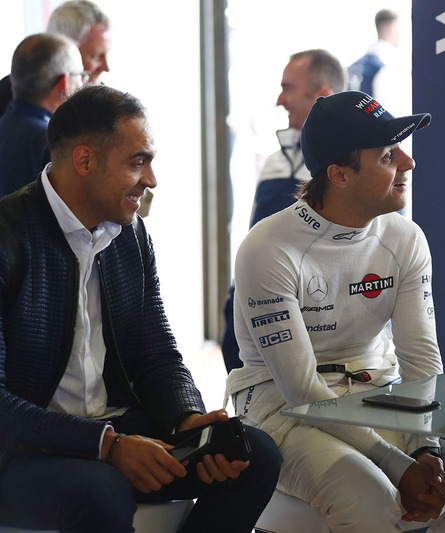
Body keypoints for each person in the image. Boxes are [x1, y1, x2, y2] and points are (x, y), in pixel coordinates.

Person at [0, 85, 282, 533]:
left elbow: (156, 353)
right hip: (21, 451)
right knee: (100, 488)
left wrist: (187, 419)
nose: (151, 179)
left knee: (253, 455)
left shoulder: (130, 236)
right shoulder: (9, 237)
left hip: (114, 431)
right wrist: (107, 445)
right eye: (138, 162)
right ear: (85, 160)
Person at [225, 90, 445, 532]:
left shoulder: (405, 237)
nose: (408, 164)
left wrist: (425, 449)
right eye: (389, 155)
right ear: (339, 175)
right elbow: (301, 390)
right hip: (283, 411)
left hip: (382, 393)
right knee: (371, 499)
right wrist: (397, 464)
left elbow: (421, 361)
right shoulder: (267, 246)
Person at [220, 48, 345, 372]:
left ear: (322, 97)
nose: (280, 100)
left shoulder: (345, 171)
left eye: (288, 88)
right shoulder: (275, 162)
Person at [0, 33, 86, 198]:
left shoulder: (5, 127)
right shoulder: (55, 144)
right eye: (81, 76)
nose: (83, 84)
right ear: (64, 83)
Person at [0, 0, 111, 114]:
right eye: (97, 56)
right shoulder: (6, 97)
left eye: (107, 54)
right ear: (63, 50)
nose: (106, 67)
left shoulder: (106, 103)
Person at [348, 9, 405, 112]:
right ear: (392, 29)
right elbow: (387, 110)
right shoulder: (387, 64)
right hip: (374, 124)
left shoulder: (354, 66)